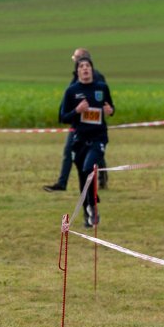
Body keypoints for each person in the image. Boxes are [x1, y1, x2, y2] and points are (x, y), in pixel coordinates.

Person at [58, 56, 114, 228]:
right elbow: (63, 117)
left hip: (98, 138)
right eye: (81, 66)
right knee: (83, 178)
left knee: (88, 167)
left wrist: (110, 111)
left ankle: (93, 204)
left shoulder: (102, 88)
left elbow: (111, 108)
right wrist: (77, 110)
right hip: (79, 139)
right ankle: (88, 214)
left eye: (88, 66)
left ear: (92, 69)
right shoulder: (71, 91)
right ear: (78, 71)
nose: (85, 68)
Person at [43, 48, 106, 192]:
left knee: (80, 150)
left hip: (88, 123)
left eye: (75, 58)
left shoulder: (96, 78)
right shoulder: (77, 77)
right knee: (80, 151)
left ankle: (66, 183)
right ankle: (63, 183)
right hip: (78, 120)